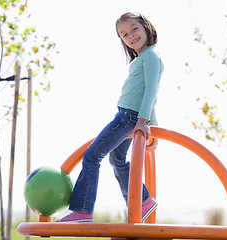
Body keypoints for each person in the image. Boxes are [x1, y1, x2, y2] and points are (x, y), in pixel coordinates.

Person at [57, 12, 164, 223]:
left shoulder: (151, 56)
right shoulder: (143, 57)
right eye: (124, 34)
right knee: (117, 160)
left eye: (134, 29)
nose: (131, 36)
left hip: (128, 118)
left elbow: (152, 91)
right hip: (131, 117)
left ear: (146, 27)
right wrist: (152, 125)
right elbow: (147, 94)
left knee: (92, 156)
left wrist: (145, 122)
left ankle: (83, 210)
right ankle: (143, 202)